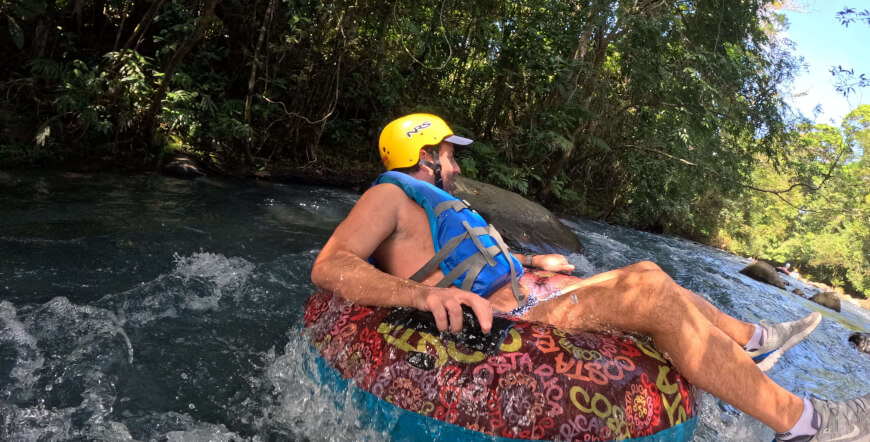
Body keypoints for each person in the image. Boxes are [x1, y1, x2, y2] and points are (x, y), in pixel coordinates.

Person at [311, 113, 869, 442]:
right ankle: (807, 423)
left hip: (526, 297)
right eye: (449, 154)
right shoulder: (389, 195)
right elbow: (330, 264)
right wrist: (424, 294)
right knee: (649, 293)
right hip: (510, 325)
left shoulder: (439, 205)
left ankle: (750, 342)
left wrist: (533, 265)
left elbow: (469, 261)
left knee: (647, 270)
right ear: (423, 154)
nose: (457, 165)